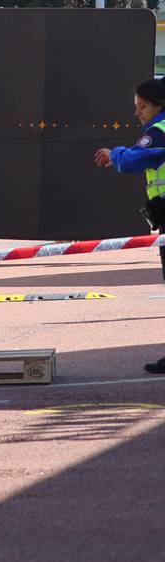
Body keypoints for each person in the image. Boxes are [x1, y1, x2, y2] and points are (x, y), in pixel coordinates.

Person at [93, 77, 165, 372]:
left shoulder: (159, 132)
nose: (138, 112)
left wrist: (115, 154)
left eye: (142, 106)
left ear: (159, 105)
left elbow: (134, 160)